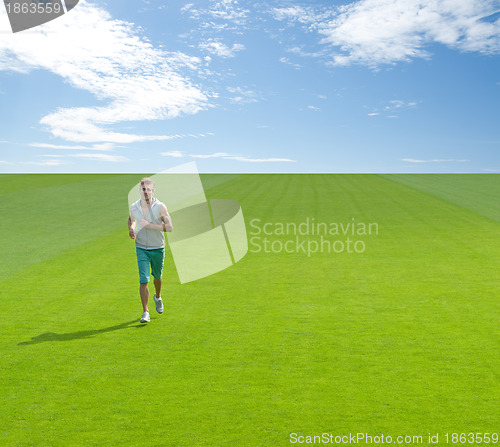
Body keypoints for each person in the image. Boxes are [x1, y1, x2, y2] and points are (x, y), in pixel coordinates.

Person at [128, 177, 173, 323]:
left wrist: (149, 225)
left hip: (157, 247)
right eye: (143, 189)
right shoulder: (134, 206)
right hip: (141, 247)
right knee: (143, 279)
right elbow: (132, 219)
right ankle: (145, 312)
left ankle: (158, 296)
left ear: (153, 191)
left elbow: (169, 227)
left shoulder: (161, 207)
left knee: (157, 277)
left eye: (148, 189)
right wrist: (131, 229)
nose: (145, 192)